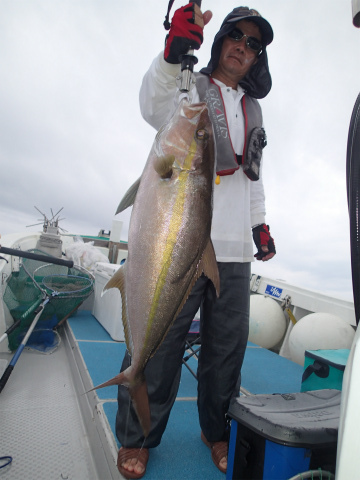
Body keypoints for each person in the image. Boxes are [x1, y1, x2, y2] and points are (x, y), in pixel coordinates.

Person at [115, 5, 276, 479]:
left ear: (256, 58)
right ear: (222, 39)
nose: (243, 49)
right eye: (237, 37)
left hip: (233, 254)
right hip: (177, 243)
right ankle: (137, 437)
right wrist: (171, 54)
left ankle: (217, 432)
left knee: (226, 354)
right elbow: (152, 105)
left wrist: (259, 225)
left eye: (253, 45)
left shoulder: (253, 108)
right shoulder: (190, 87)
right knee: (158, 346)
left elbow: (254, 176)